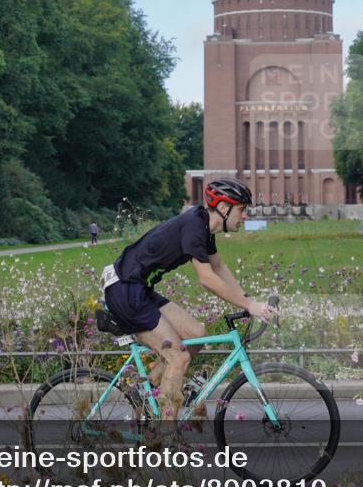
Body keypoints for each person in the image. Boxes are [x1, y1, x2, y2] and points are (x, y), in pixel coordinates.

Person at [100, 178, 278, 423]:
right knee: (179, 357)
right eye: (242, 209)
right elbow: (206, 278)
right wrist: (248, 306)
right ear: (224, 208)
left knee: (196, 334)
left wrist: (249, 300)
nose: (245, 216)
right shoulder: (195, 225)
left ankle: (146, 392)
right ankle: (164, 437)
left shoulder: (204, 225)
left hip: (137, 286)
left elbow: (218, 267)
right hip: (124, 288)